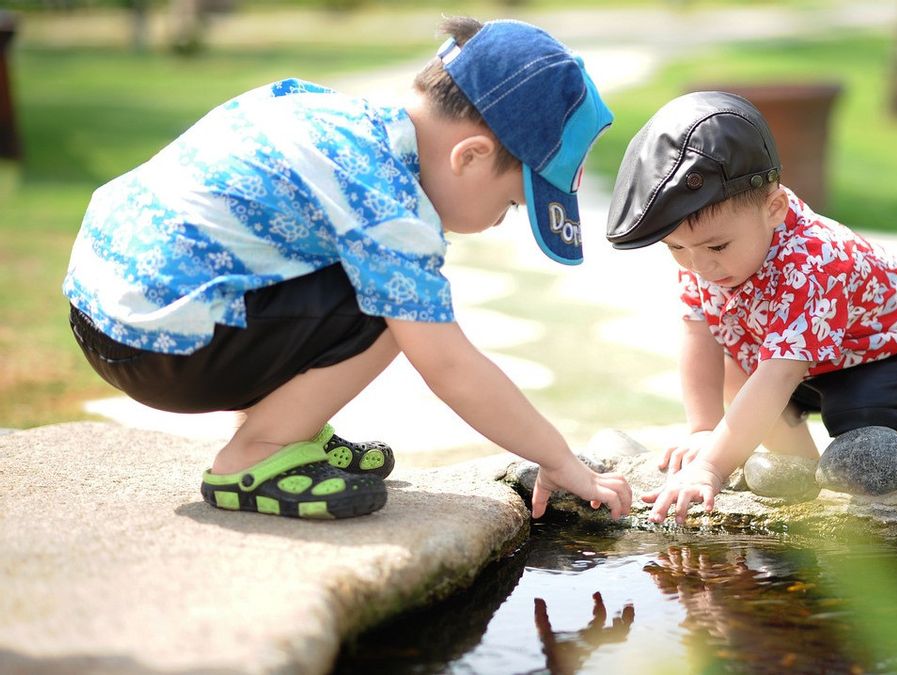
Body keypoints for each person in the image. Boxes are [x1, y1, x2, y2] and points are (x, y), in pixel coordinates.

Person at [62, 17, 632, 521]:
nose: (497, 222)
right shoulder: (388, 203)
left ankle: (290, 429)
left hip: (104, 309)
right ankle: (254, 456)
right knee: (398, 309)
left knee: (372, 280)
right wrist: (559, 459)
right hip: (160, 347)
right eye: (511, 205)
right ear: (472, 156)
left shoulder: (332, 116)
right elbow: (449, 367)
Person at [605, 91, 897, 525]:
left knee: (860, 416)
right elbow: (698, 333)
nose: (700, 265)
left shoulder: (813, 260)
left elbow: (780, 374)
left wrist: (710, 467)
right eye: (676, 248)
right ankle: (802, 480)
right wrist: (704, 428)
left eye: (716, 246)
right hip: (815, 360)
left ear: (774, 208)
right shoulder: (706, 256)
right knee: (738, 367)